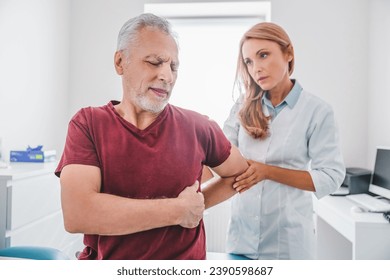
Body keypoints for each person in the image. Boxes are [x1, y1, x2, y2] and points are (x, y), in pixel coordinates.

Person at [54, 13, 247, 260]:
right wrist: (176, 210)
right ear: (120, 62)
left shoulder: (199, 126)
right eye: (155, 62)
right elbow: (78, 214)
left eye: (173, 66)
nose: (167, 76)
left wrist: (195, 206)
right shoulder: (88, 124)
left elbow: (240, 172)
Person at [222, 22, 346, 259]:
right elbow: (220, 155)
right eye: (249, 61)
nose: (256, 68)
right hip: (241, 239)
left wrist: (267, 172)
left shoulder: (317, 111)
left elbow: (331, 176)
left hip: (288, 245)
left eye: (263, 55)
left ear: (288, 53)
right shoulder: (242, 106)